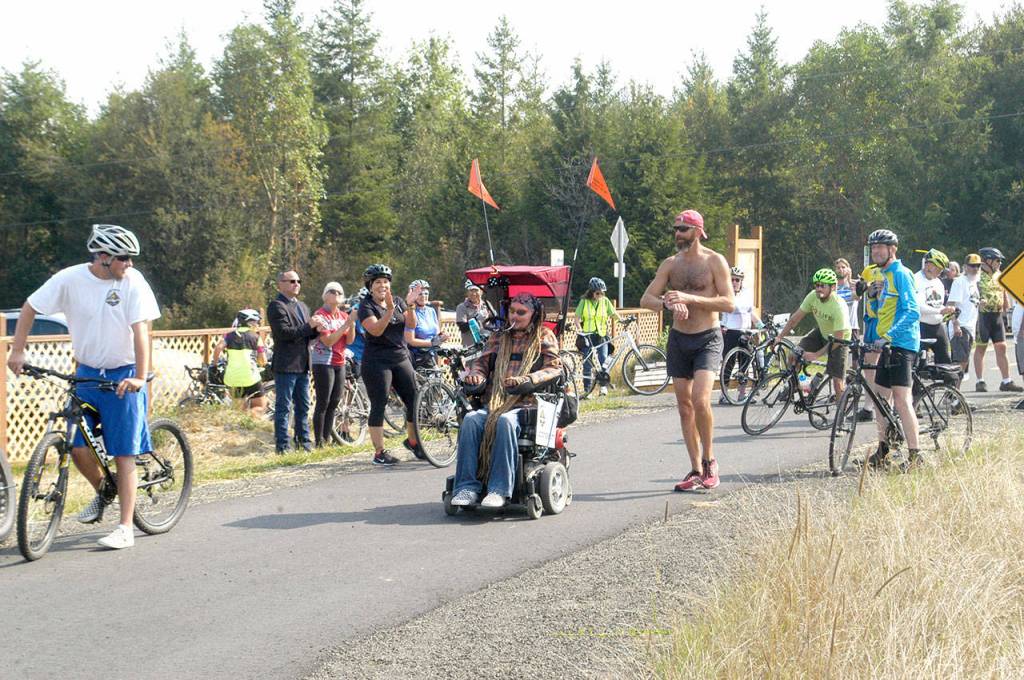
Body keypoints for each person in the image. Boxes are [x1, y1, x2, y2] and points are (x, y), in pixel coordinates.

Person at [6, 224, 160, 550]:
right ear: (102, 257)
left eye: (131, 258)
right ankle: (105, 489)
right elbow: (30, 307)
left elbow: (141, 332)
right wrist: (18, 350)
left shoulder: (133, 283)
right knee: (77, 447)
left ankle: (124, 527)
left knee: (123, 454)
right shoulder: (70, 278)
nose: (129, 264)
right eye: (122, 258)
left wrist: (140, 375)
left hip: (124, 374)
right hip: (87, 372)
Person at [640, 209, 735, 492]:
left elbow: (729, 303)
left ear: (697, 231)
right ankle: (695, 469)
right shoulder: (671, 264)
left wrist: (689, 298)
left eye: (682, 229)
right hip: (679, 340)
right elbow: (646, 299)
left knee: (700, 399)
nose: (677, 234)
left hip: (707, 338)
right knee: (684, 407)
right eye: (675, 229)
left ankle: (710, 460)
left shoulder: (715, 260)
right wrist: (668, 304)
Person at [449, 293, 562, 508]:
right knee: (472, 419)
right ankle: (466, 487)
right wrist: (477, 376)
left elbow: (554, 368)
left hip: (526, 405)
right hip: (494, 403)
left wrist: (528, 379)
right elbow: (481, 364)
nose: (515, 317)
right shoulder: (498, 337)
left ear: (534, 315)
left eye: (521, 313)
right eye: (512, 311)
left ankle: (499, 490)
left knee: (505, 422)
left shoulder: (544, 336)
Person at [861, 229, 922, 470]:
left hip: (902, 344)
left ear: (892, 250)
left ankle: (915, 456)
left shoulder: (901, 274)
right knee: (879, 399)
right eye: (873, 248)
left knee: (902, 399)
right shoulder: (882, 275)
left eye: (881, 247)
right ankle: (883, 450)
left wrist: (888, 336)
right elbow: (881, 311)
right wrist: (874, 299)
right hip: (885, 344)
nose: (876, 251)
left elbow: (911, 312)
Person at [358, 264, 423, 465]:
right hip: (377, 361)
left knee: (414, 398)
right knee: (379, 403)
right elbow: (375, 330)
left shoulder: (398, 301)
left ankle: (413, 441)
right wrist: (389, 312)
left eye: (386, 281)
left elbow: (412, 325)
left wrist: (410, 306)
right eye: (378, 282)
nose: (383, 285)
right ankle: (379, 452)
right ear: (370, 286)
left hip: (400, 357)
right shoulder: (366, 306)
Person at [268, 270, 324, 454]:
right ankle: (283, 446)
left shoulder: (302, 306)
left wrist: (316, 329)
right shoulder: (277, 306)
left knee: (303, 406)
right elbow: (285, 334)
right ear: (280, 284)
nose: (296, 284)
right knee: (284, 408)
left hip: (302, 363)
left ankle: (304, 443)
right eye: (291, 281)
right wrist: (309, 326)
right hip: (286, 364)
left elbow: (306, 334)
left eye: (298, 280)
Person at [774, 268, 851, 400]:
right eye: (816, 285)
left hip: (840, 340)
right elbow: (794, 319)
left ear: (832, 287)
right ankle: (796, 387)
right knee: (794, 355)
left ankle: (840, 416)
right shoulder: (812, 296)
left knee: (837, 382)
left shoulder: (839, 306)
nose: (818, 289)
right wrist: (779, 337)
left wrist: (816, 355)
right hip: (822, 333)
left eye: (822, 286)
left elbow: (838, 338)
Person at [310, 282, 357, 448]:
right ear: (325, 295)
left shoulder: (344, 316)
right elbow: (328, 341)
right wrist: (346, 324)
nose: (336, 293)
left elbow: (350, 340)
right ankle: (318, 441)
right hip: (323, 362)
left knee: (335, 401)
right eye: (332, 291)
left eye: (339, 291)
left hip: (340, 361)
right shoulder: (320, 315)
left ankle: (327, 438)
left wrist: (351, 323)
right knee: (323, 401)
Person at [972, 247, 1022, 393]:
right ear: (987, 260)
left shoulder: (999, 275)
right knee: (981, 348)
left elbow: (1004, 292)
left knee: (1002, 347)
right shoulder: (977, 276)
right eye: (997, 260)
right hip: (983, 316)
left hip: (997, 316)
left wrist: (1007, 310)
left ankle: (1006, 381)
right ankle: (980, 381)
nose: (999, 263)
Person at [718, 266, 763, 404]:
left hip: (745, 332)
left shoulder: (746, 293)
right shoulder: (725, 294)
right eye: (731, 279)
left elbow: (750, 311)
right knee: (728, 364)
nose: (734, 282)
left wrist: (760, 325)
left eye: (737, 280)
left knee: (745, 363)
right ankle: (723, 394)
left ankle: (742, 394)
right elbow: (728, 309)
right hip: (731, 331)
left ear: (741, 281)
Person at [211, 309, 268, 418]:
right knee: (261, 406)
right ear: (249, 322)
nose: (257, 325)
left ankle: (242, 421)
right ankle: (249, 419)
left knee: (239, 410)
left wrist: (214, 364)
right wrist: (261, 363)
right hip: (251, 378)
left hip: (232, 379)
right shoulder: (256, 337)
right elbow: (263, 360)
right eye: (255, 322)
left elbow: (218, 348)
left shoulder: (228, 336)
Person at [575, 276, 623, 397]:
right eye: (598, 293)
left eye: (602, 293)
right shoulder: (584, 302)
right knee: (587, 363)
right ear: (592, 292)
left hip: (601, 334)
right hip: (588, 335)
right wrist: (580, 330)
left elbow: (613, 313)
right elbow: (577, 318)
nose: (600, 295)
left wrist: (622, 320)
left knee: (604, 360)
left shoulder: (605, 301)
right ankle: (587, 390)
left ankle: (603, 388)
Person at [914, 249, 955, 366]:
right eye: (938, 268)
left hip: (937, 326)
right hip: (921, 326)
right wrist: (940, 310)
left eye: (942, 270)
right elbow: (919, 306)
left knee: (945, 361)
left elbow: (937, 304)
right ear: (928, 265)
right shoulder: (916, 280)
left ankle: (946, 384)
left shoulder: (938, 283)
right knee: (918, 365)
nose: (940, 272)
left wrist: (948, 310)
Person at [948, 253, 982, 377]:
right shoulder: (960, 282)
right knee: (959, 363)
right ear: (965, 267)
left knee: (963, 363)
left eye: (978, 266)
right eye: (972, 265)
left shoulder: (975, 282)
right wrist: (955, 324)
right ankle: (952, 393)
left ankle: (954, 393)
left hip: (970, 327)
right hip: (961, 326)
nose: (976, 269)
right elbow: (951, 304)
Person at [405, 279, 448, 369]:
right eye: (420, 294)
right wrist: (431, 343)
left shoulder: (431, 311)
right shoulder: (409, 313)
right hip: (417, 357)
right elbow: (410, 340)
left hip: (432, 354)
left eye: (426, 293)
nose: (423, 296)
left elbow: (436, 333)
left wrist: (441, 336)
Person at [455, 279, 492, 347]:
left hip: (486, 345)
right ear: (467, 293)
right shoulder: (461, 307)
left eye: (476, 290)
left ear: (481, 292)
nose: (474, 293)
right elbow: (463, 328)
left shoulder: (486, 305)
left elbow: (494, 322)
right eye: (471, 290)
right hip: (470, 347)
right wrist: (476, 319)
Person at [834, 258, 860, 338]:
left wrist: (849, 280)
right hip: (837, 327)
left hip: (852, 327)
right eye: (838, 268)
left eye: (843, 267)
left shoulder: (855, 284)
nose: (841, 269)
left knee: (855, 350)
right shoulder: (832, 286)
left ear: (848, 269)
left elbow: (857, 297)